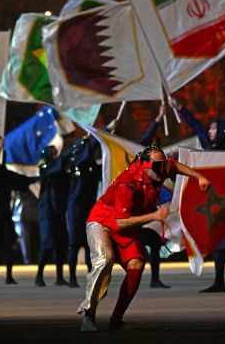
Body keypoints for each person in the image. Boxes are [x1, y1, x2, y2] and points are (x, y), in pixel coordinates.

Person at [77, 146, 210, 331]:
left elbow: (176, 166)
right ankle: (89, 316)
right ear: (145, 166)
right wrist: (153, 217)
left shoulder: (158, 167)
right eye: (157, 166)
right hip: (103, 222)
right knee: (104, 259)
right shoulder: (128, 184)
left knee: (136, 265)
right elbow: (121, 222)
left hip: (126, 225)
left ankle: (116, 320)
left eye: (163, 165)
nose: (162, 170)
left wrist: (199, 177)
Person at [171, 100, 225, 292]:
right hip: (217, 203)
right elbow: (197, 127)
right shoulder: (211, 147)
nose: (210, 132)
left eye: (214, 129)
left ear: (221, 131)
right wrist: (181, 108)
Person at [0, 138, 34, 284]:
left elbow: (23, 181)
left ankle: (9, 276)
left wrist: (40, 174)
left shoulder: (6, 174)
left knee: (8, 244)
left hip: (5, 213)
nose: (1, 159)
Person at [138, 104, 172, 288]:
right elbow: (145, 139)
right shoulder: (141, 161)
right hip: (139, 208)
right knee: (140, 245)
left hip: (152, 207)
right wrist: (158, 118)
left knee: (154, 244)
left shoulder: (160, 164)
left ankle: (154, 279)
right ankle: (143, 277)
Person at [66, 136, 101, 288]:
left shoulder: (92, 166)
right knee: (74, 245)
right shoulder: (77, 163)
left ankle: (91, 275)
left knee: (89, 246)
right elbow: (89, 149)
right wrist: (101, 135)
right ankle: (72, 278)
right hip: (76, 209)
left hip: (89, 209)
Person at [35, 146, 71, 287]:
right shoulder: (45, 167)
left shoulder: (57, 169)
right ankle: (39, 276)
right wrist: (76, 145)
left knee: (60, 244)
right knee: (47, 244)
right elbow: (58, 165)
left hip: (57, 210)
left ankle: (59, 277)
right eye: (53, 153)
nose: (56, 156)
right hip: (48, 210)